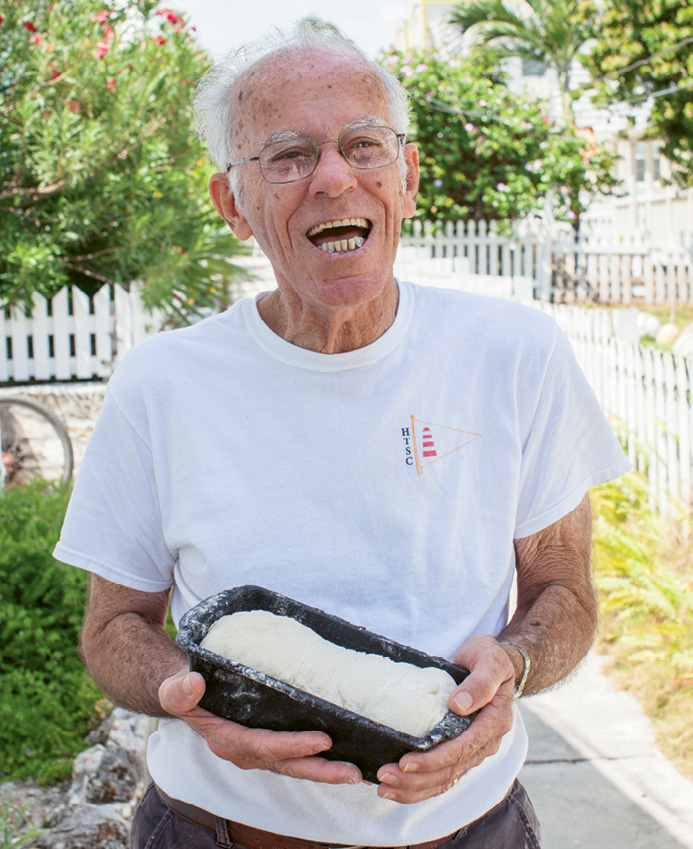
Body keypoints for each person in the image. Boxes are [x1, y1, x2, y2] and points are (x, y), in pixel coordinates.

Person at [54, 20, 630, 849]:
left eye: (363, 145)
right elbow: (115, 626)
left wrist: (514, 665)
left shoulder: (514, 354)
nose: (333, 178)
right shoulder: (162, 383)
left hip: (469, 831)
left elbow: (562, 591)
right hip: (218, 830)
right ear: (232, 204)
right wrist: (186, 690)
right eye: (288, 156)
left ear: (407, 177)